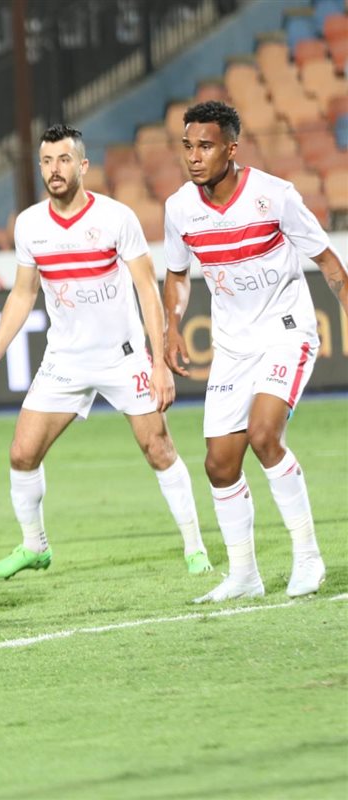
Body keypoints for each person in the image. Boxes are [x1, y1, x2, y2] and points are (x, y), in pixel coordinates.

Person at [0, 124, 212, 581]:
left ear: (82, 165)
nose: (54, 170)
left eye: (63, 160)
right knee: (22, 453)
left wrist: (158, 363)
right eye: (47, 161)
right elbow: (22, 294)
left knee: (158, 448)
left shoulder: (116, 218)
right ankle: (34, 546)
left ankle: (195, 547)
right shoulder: (30, 225)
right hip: (65, 359)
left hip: (124, 357)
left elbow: (147, 290)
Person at [163, 101, 348, 602]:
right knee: (219, 465)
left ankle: (308, 557)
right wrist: (171, 326)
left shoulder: (275, 196)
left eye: (205, 146)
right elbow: (177, 275)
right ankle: (244, 574)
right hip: (232, 346)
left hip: (287, 332)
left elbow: (328, 261)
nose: (194, 157)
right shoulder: (180, 208)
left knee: (265, 436)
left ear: (231, 148)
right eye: (188, 146)